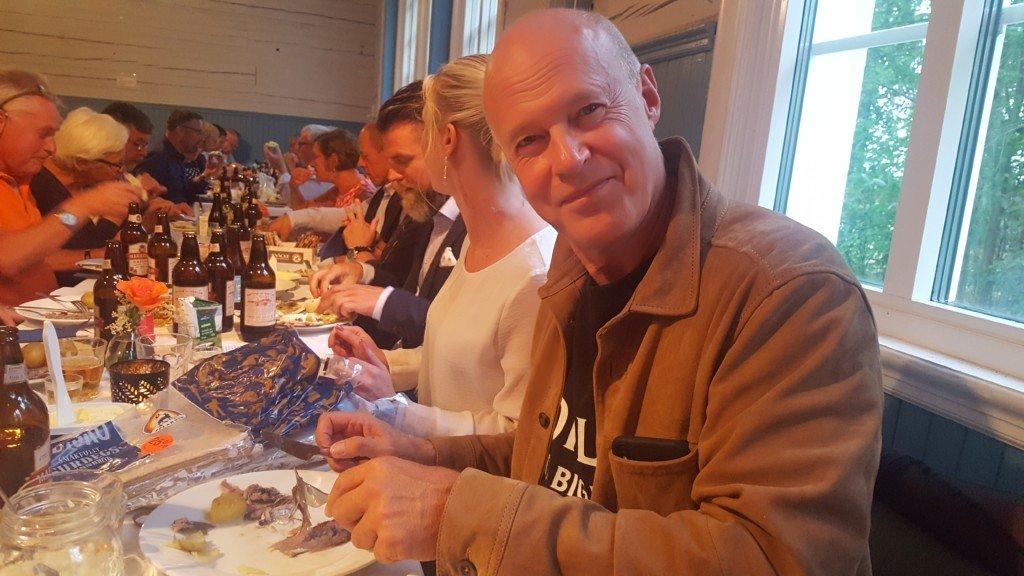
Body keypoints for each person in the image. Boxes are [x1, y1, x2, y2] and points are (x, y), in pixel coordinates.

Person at [315, 10, 883, 575]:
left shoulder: (789, 291)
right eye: (530, 141)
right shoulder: (572, 267)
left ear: (648, 97)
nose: (568, 160)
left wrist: (454, 511)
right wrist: (420, 452)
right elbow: (552, 458)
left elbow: (774, 559)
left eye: (588, 111)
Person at [324, 54, 555, 438]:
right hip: (429, 461)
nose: (392, 170)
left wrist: (395, 411)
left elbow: (516, 435)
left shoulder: (534, 272)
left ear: (446, 138)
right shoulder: (478, 239)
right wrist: (382, 365)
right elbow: (460, 360)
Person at [311, 81, 466, 350]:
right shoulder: (431, 210)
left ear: (446, 143)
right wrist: (361, 272)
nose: (393, 176)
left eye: (403, 161)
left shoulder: (475, 222)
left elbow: (463, 333)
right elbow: (409, 289)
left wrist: (381, 300)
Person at [0, 69, 140, 305]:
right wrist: (84, 206)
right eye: (43, 134)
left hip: (45, 313)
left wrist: (79, 211)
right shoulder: (36, 181)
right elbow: (7, 258)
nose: (52, 148)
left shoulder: (21, 181)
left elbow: (39, 250)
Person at [29, 107, 130, 285]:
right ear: (82, 162)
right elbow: (39, 256)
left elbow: (79, 232)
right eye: (115, 165)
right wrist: (101, 251)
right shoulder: (40, 187)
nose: (120, 171)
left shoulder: (79, 185)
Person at [135, 109, 217, 205]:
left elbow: (183, 192)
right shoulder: (157, 156)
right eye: (198, 132)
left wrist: (204, 176)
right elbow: (145, 201)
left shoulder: (177, 156)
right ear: (180, 131)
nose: (201, 138)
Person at [265, 123, 336, 207]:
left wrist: (282, 168)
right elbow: (302, 207)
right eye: (293, 145)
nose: (296, 148)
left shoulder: (329, 179)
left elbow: (289, 202)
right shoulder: (307, 168)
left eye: (301, 144)